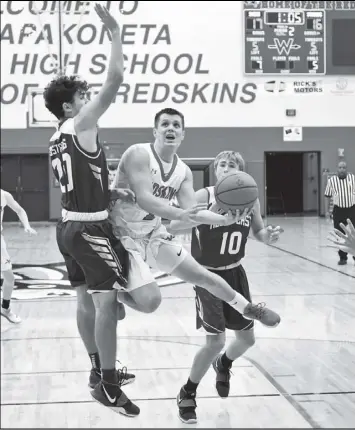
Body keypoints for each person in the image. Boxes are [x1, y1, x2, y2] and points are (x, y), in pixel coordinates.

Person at [43, 4, 139, 417]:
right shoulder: (81, 124)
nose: (89, 101)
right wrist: (116, 32)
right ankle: (109, 387)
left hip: (68, 227)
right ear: (70, 107)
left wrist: (110, 195)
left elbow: (75, 183)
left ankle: (97, 371)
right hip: (88, 231)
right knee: (108, 306)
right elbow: (116, 79)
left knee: (86, 300)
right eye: (83, 97)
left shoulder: (55, 138)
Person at [109, 107, 281, 328]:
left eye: (176, 125)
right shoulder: (139, 154)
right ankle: (118, 295)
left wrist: (223, 221)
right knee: (151, 302)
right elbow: (144, 199)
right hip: (119, 234)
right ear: (155, 131)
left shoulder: (183, 171)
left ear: (183, 134)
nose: (170, 128)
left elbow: (193, 211)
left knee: (202, 275)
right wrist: (182, 213)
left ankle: (247, 309)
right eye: (165, 124)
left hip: (152, 232)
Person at [169, 151, 283, 424]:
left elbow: (258, 232)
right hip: (206, 276)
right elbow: (174, 224)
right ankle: (188, 391)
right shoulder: (202, 197)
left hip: (235, 273)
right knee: (215, 341)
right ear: (215, 170)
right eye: (222, 164)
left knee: (246, 339)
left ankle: (225, 363)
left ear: (241, 172)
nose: (227, 168)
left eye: (233, 165)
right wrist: (205, 218)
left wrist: (269, 236)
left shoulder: (250, 199)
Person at [1, 189, 37, 323]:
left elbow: (20, 210)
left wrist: (26, 225)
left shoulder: (4, 195)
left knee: (9, 278)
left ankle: (5, 309)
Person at [324, 161, 355, 265]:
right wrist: (327, 211)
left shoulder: (352, 178)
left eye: (344, 167)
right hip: (338, 210)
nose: (342, 169)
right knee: (339, 234)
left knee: (354, 234)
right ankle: (343, 257)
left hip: (351, 208)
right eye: (340, 167)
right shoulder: (332, 181)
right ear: (337, 169)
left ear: (346, 169)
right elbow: (327, 196)